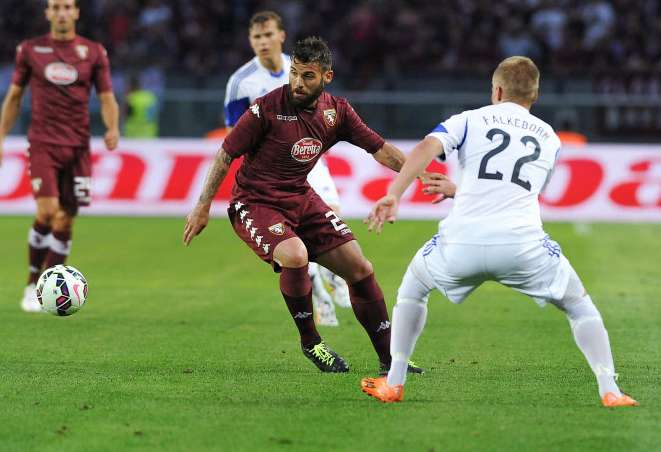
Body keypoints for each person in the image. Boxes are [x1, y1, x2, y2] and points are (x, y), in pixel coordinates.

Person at [360, 56, 637, 408]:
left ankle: (394, 382)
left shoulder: (468, 119)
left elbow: (426, 147)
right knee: (580, 306)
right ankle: (610, 389)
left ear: (498, 91)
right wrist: (460, 190)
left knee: (412, 289)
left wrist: (394, 194)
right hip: (523, 247)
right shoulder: (549, 138)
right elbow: (518, 190)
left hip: (460, 243)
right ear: (535, 95)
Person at [184, 36, 423, 375]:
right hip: (255, 202)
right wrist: (202, 206)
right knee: (295, 255)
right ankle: (312, 342)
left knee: (360, 268)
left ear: (327, 77)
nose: (297, 82)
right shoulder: (267, 107)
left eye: (307, 76)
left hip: (301, 197)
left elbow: (380, 150)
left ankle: (390, 359)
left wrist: (421, 174)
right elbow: (225, 154)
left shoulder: (337, 111)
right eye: (294, 73)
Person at [223, 11, 350, 327]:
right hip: (274, 170)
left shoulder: (299, 68)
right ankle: (321, 297)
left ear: (281, 35)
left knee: (332, 216)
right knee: (297, 241)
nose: (263, 42)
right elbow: (233, 133)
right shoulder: (241, 82)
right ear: (250, 41)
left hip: (308, 158)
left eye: (268, 34)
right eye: (257, 37)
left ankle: (333, 277)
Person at [0, 0, 119, 312]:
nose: (62, 12)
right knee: (47, 211)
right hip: (43, 143)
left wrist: (112, 127)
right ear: (48, 13)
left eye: (67, 7)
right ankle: (32, 285)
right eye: (56, 7)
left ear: (76, 12)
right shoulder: (30, 50)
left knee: (66, 218)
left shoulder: (93, 52)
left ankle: (48, 287)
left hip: (78, 146)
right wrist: (0, 137)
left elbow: (107, 97)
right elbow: (14, 96)